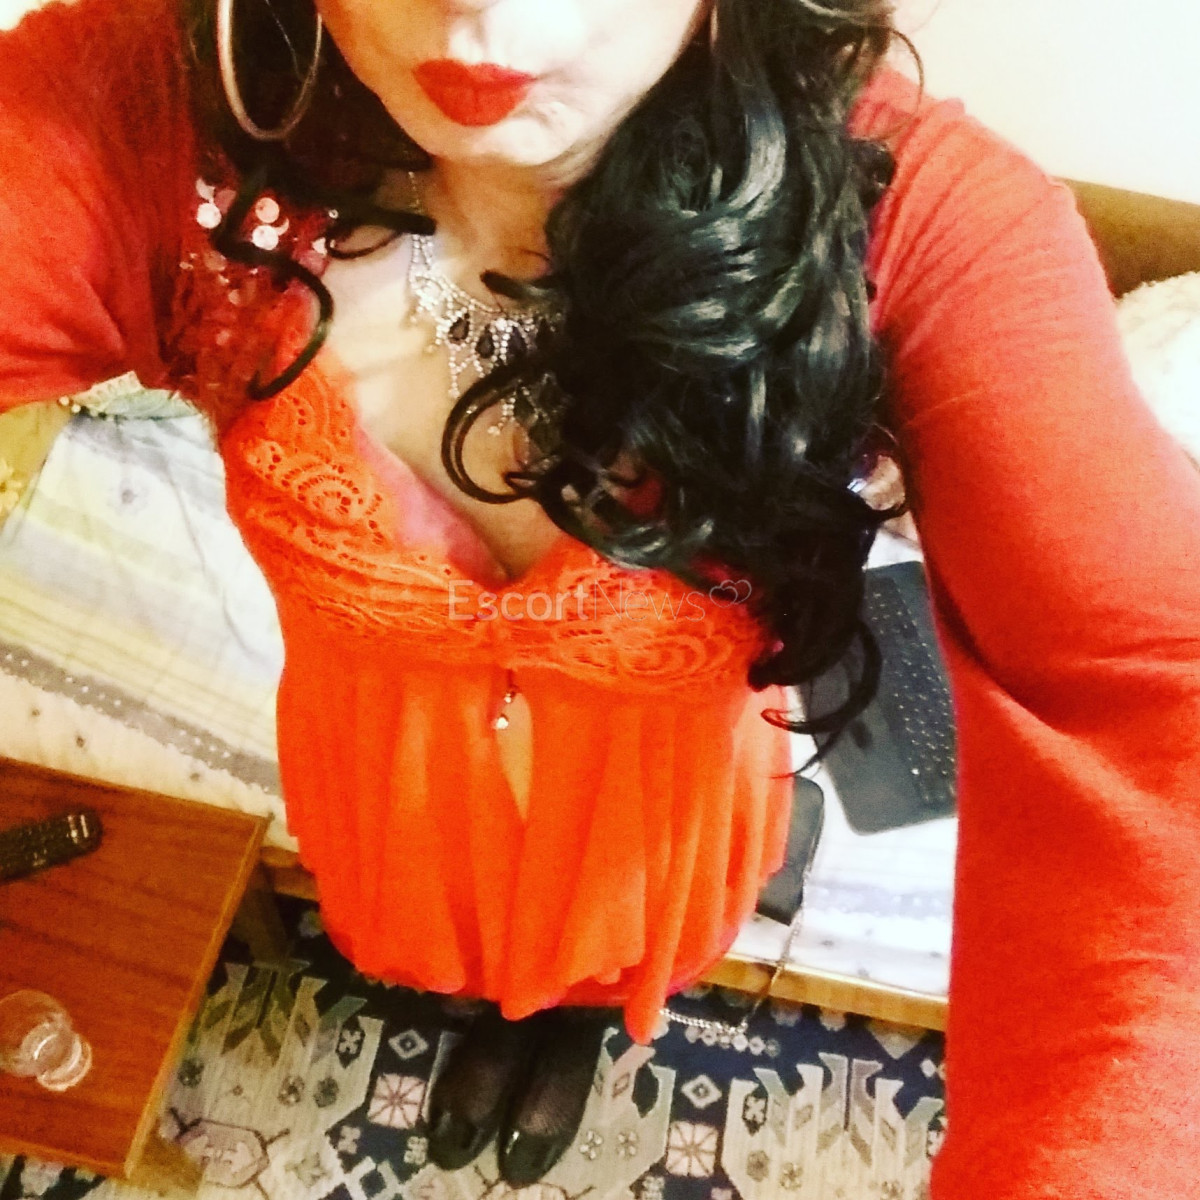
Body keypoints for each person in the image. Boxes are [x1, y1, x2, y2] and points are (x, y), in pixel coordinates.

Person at [1, 0, 1198, 1194]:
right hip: (393, 775)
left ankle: (571, 1026)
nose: (475, 7)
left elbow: (1155, 703)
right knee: (449, 944)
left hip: (652, 799)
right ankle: (490, 1008)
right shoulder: (164, 137)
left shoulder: (903, 225)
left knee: (609, 953)